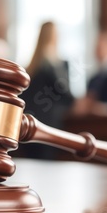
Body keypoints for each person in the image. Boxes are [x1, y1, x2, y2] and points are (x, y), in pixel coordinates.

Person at [19, 21, 74, 159]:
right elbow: (64, 91)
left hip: (29, 124)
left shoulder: (30, 67)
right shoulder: (54, 66)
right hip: (47, 126)